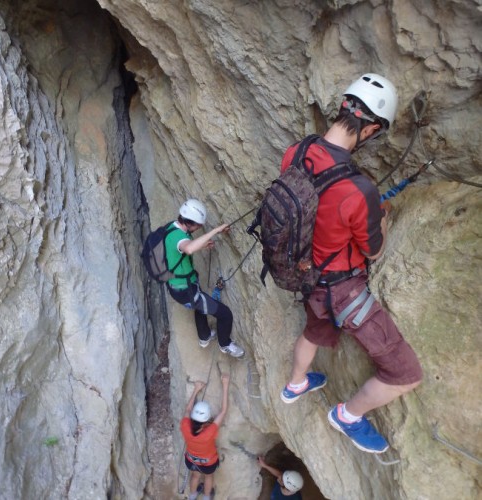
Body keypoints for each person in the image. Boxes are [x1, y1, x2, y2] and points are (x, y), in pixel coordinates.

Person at [279, 74, 423, 453]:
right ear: (372, 128)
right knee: (406, 374)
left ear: (344, 107)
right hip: (342, 289)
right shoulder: (360, 191)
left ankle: (295, 383)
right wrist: (382, 217)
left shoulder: (295, 151)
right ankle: (348, 415)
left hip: (304, 272)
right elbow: (373, 250)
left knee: (314, 331)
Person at [165, 199, 244, 357]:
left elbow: (184, 247)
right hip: (185, 290)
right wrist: (216, 230)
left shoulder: (172, 228)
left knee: (200, 307)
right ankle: (225, 344)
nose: (199, 228)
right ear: (191, 223)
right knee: (224, 313)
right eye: (198, 226)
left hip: (181, 286)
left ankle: (204, 336)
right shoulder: (178, 238)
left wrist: (202, 245)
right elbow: (187, 248)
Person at [180, 376, 230, 500]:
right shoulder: (209, 432)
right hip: (208, 463)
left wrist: (196, 389)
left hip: (191, 460)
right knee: (208, 477)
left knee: (195, 476)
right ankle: (206, 497)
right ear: (206, 420)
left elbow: (188, 409)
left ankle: (192, 496)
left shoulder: (185, 426)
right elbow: (223, 411)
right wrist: (225, 385)